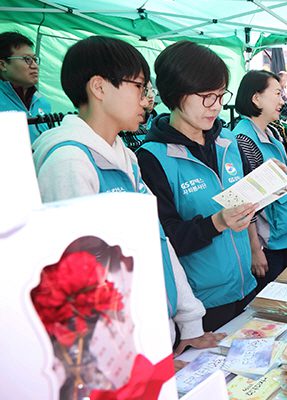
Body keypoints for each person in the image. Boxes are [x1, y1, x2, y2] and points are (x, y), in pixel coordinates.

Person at [31, 36, 218, 354]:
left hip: (155, 334)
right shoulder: (69, 162)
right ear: (100, 88)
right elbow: (83, 284)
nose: (148, 101)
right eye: (140, 88)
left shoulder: (126, 157)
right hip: (120, 354)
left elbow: (158, 243)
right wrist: (133, 356)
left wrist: (189, 322)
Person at [137, 41, 258, 332]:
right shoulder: (152, 158)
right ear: (176, 94)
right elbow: (166, 240)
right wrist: (216, 222)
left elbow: (244, 202)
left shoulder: (227, 142)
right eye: (206, 96)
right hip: (200, 306)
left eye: (220, 95)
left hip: (247, 287)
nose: (216, 105)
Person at [232, 70, 287, 292]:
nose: (282, 101)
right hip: (267, 243)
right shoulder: (244, 139)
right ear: (256, 98)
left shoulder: (272, 134)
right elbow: (244, 201)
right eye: (277, 94)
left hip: (283, 236)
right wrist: (254, 248)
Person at [0, 32, 52, 143]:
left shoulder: (42, 103)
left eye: (35, 60)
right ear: (3, 65)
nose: (35, 66)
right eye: (27, 59)